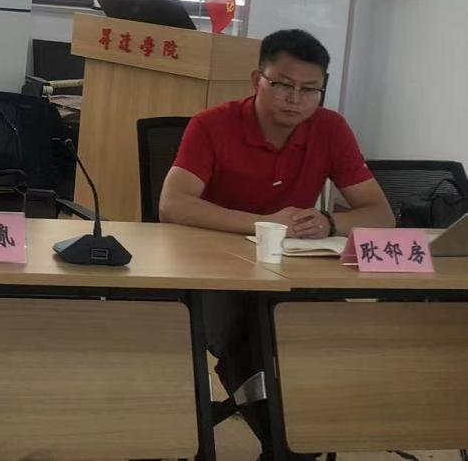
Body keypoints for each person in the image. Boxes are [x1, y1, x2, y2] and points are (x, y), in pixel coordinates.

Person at [159, 28, 393, 457]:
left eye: (309, 89)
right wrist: (263, 223)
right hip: (214, 271)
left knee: (336, 332)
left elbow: (381, 215)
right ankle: (287, 442)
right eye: (283, 85)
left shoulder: (330, 128)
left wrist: (329, 221)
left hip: (292, 271)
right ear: (257, 80)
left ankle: (305, 435)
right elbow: (173, 204)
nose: (295, 99)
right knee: (256, 335)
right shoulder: (212, 124)